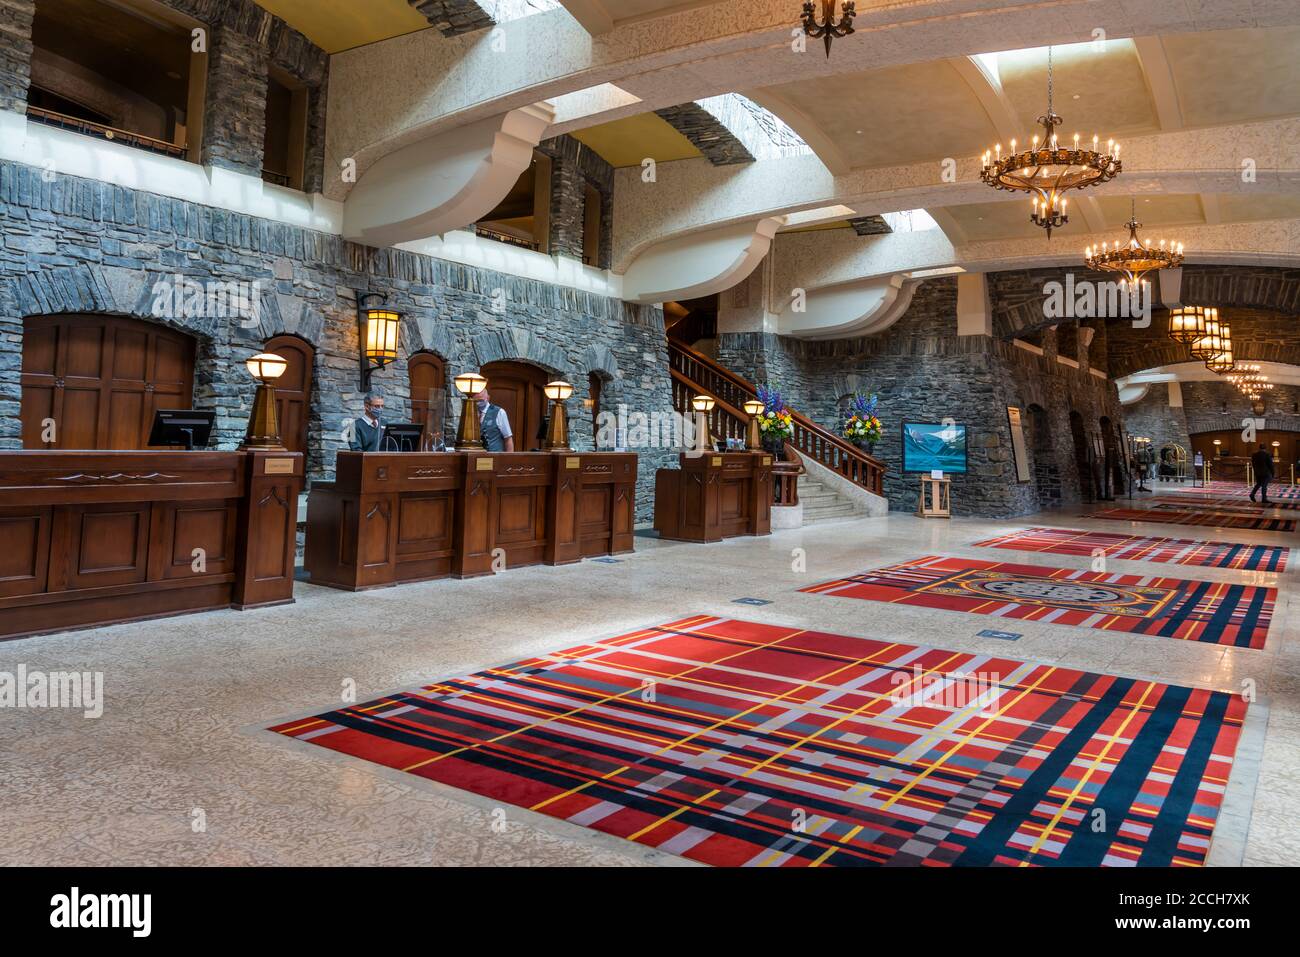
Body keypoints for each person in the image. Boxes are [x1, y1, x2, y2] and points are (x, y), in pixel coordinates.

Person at [474, 386, 514, 452]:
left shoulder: (499, 412)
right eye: (476, 401)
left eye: (481, 400)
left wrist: (509, 460)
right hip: (476, 456)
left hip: (495, 457)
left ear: (488, 398)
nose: (479, 403)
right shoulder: (472, 412)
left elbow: (508, 438)